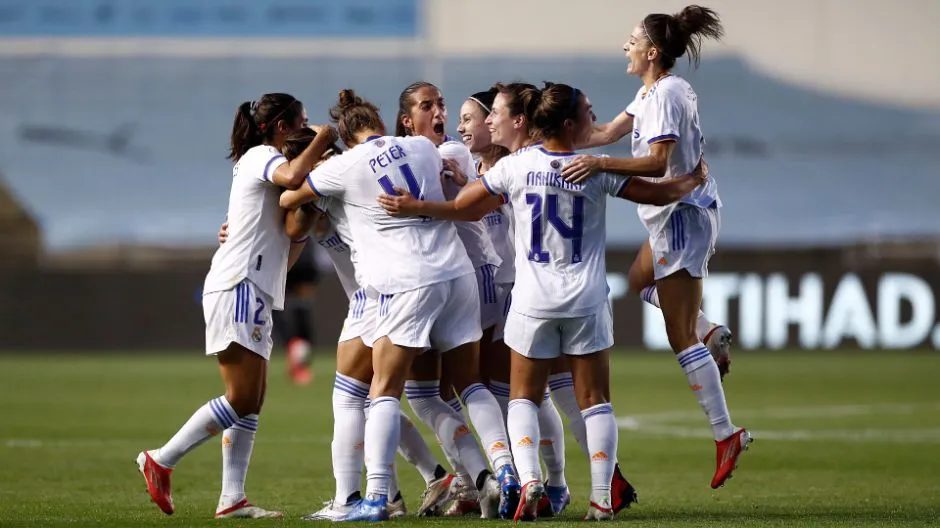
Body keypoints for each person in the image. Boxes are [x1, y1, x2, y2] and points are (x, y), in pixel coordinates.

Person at [378, 81, 706, 520]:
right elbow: (659, 192)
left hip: (532, 301)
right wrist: (692, 179)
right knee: (596, 402)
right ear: (569, 123)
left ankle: (531, 482)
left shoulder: (518, 166)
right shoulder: (593, 168)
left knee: (521, 399)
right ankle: (601, 499)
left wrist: (414, 206)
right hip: (586, 300)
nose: (596, 120)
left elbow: (464, 210)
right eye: (589, 112)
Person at [279, 89, 503, 522]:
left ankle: (366, 497)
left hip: (384, 291)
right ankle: (481, 476)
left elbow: (291, 213)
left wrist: (299, 177)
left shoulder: (337, 174)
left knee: (360, 396)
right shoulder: (419, 149)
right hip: (448, 279)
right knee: (431, 395)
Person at [561, 5, 751, 489]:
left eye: (631, 39)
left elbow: (656, 161)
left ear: (651, 52)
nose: (624, 46)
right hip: (673, 216)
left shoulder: (665, 95)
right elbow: (602, 133)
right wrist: (555, 133)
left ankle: (725, 433)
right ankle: (709, 333)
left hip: (682, 217)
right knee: (640, 281)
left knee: (677, 336)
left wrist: (601, 164)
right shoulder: (650, 92)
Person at [135, 93, 336, 518]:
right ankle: (161, 458)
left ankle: (233, 498)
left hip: (256, 287)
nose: (308, 127)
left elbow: (288, 248)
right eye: (302, 121)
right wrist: (326, 138)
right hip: (238, 284)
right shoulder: (260, 156)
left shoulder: (272, 174)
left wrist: (306, 212)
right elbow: (295, 169)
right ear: (282, 126)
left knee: (253, 398)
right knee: (241, 397)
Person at [394, 81, 520, 519]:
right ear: (408, 119)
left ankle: (491, 475)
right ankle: (485, 478)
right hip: (460, 278)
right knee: (457, 388)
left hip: (464, 277)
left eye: (441, 104)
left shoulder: (450, 154)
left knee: (442, 390)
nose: (441, 111)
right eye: (430, 105)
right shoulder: (427, 154)